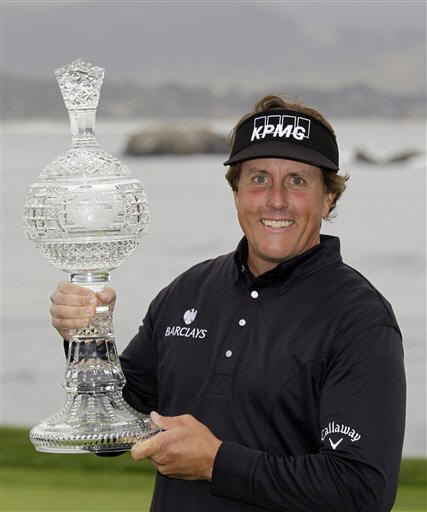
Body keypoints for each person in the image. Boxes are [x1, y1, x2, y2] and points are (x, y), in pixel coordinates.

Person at [50, 95, 406, 512]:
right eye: (259, 178)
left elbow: (363, 492)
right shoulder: (188, 291)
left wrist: (216, 463)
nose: (276, 199)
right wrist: (87, 341)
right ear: (236, 193)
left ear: (328, 198)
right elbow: (110, 432)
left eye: (296, 180)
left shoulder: (359, 319)